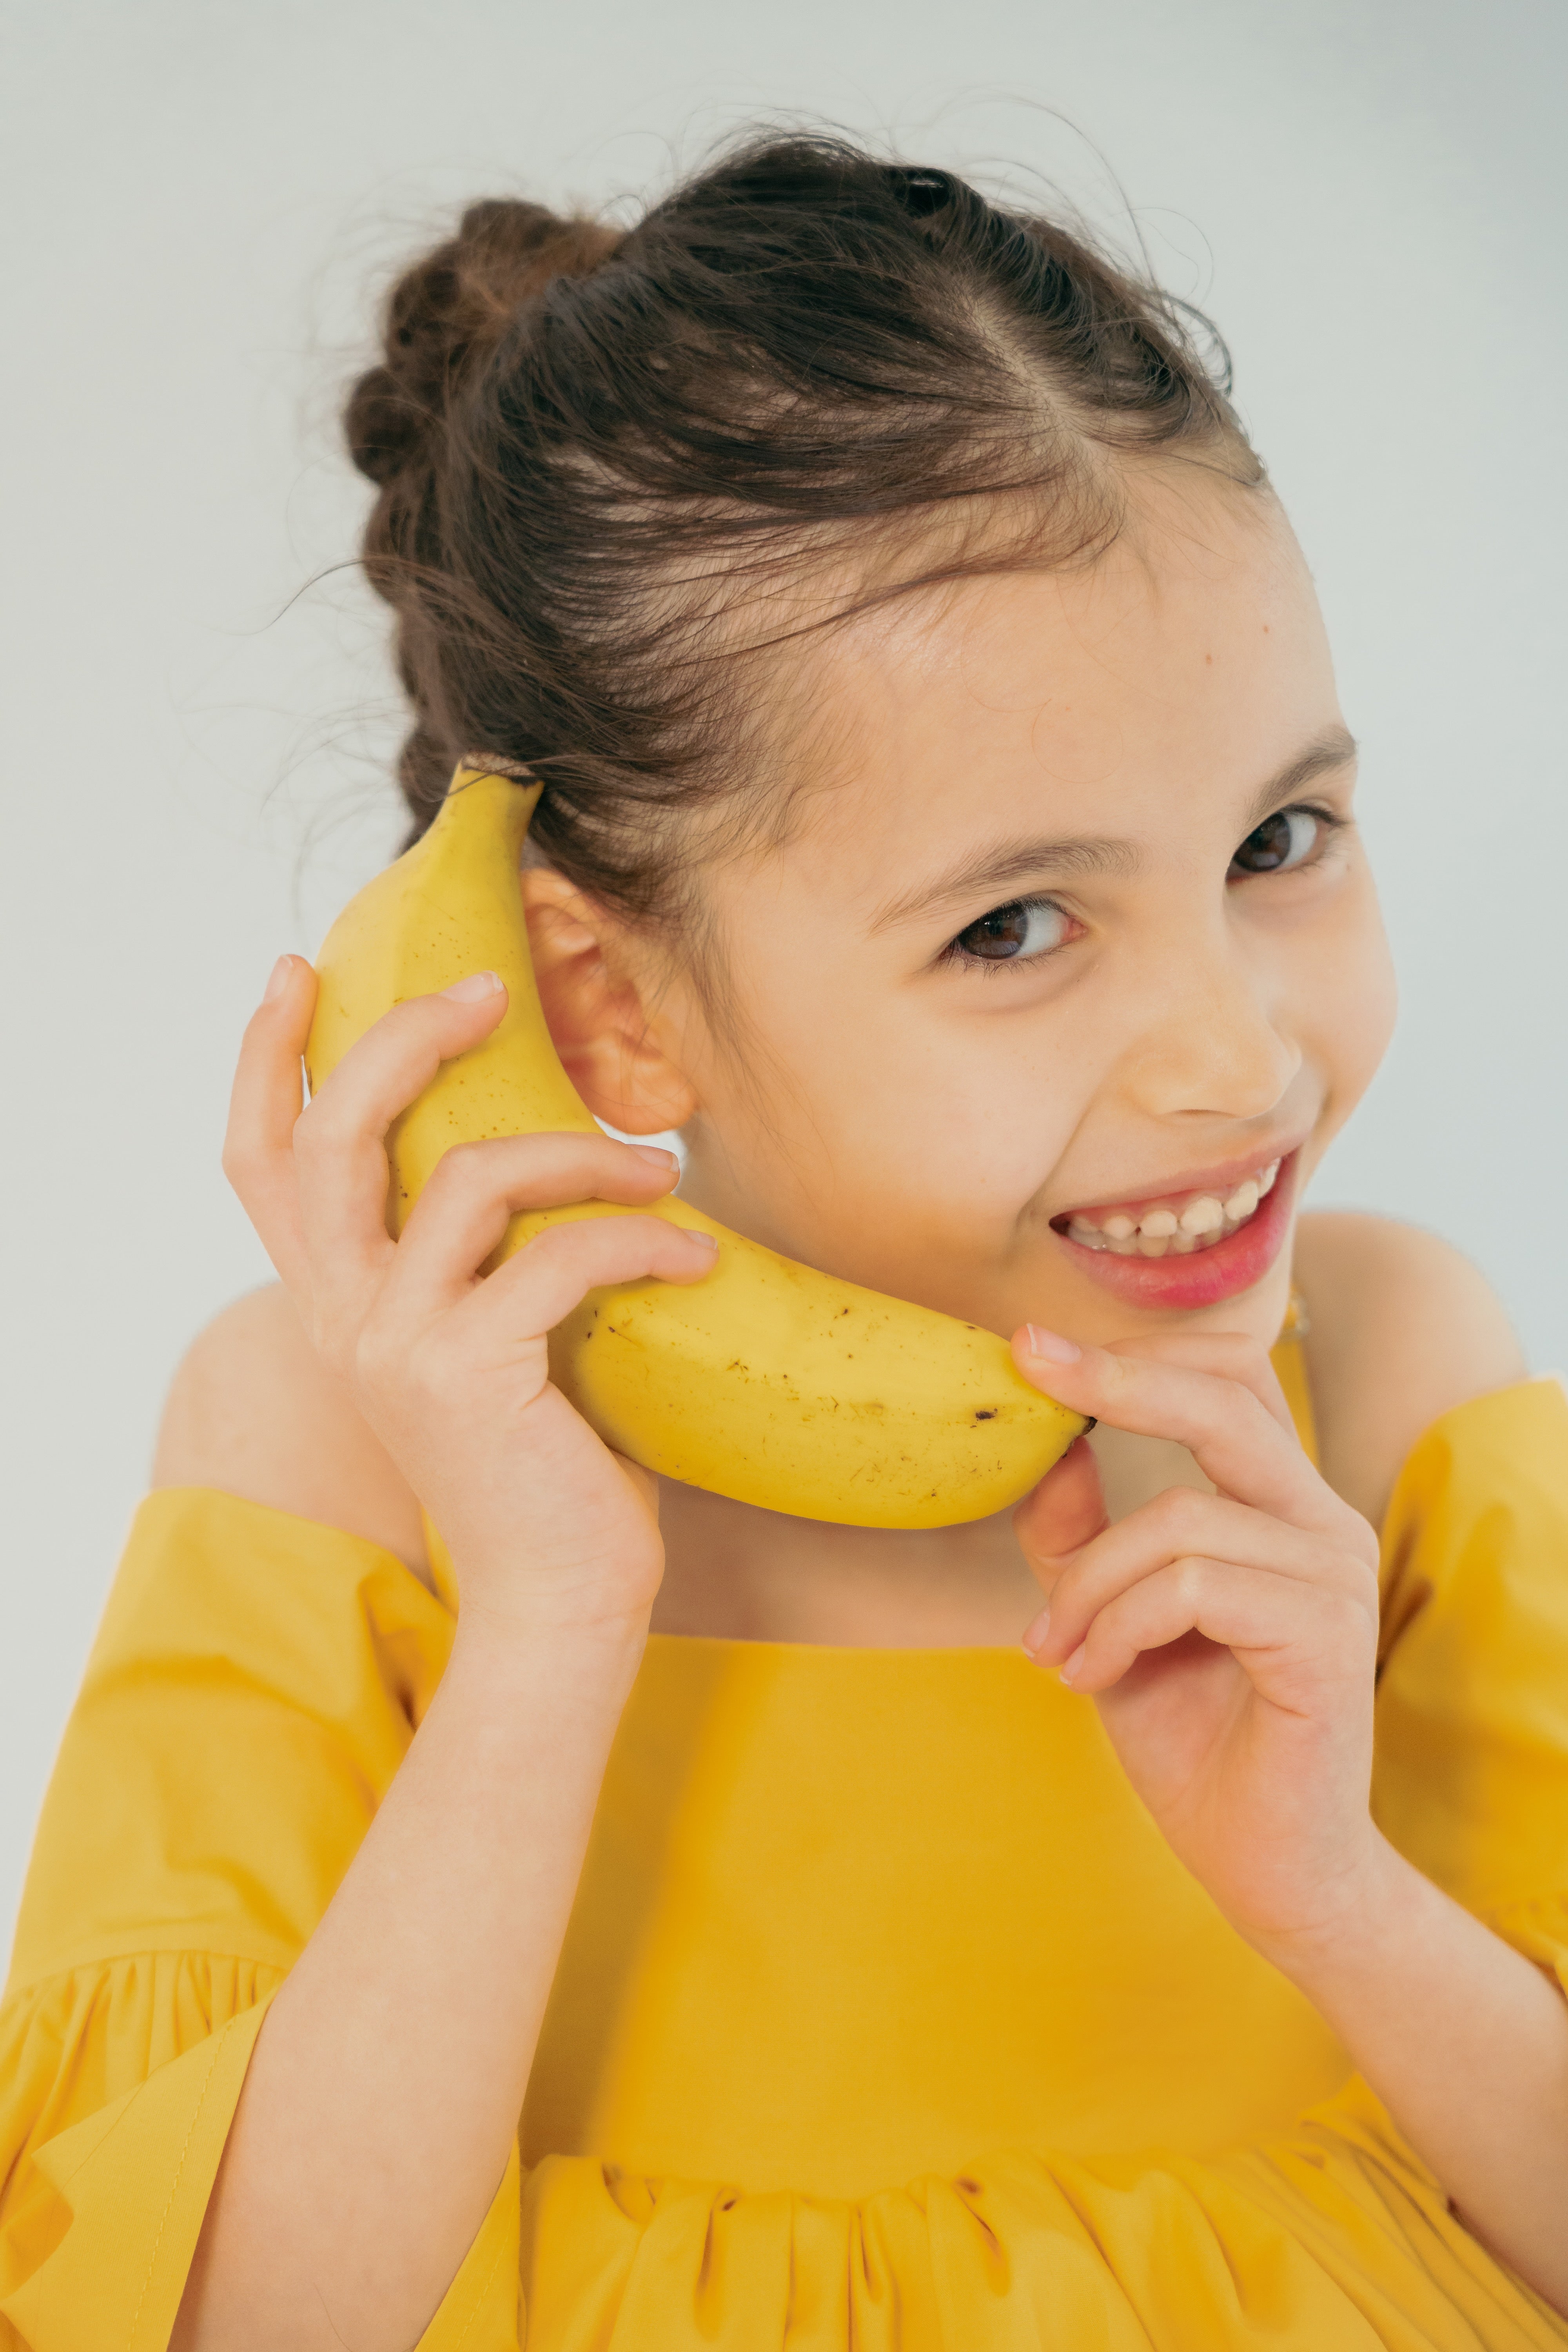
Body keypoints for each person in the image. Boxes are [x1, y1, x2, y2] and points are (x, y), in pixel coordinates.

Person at [2, 135, 1565, 2352]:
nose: (1236, 1056)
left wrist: (1336, 1897)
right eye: (1019, 926)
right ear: (613, 1008)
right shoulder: (343, 1437)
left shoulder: (1397, 1376)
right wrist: (546, 1626)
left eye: (1281, 838)